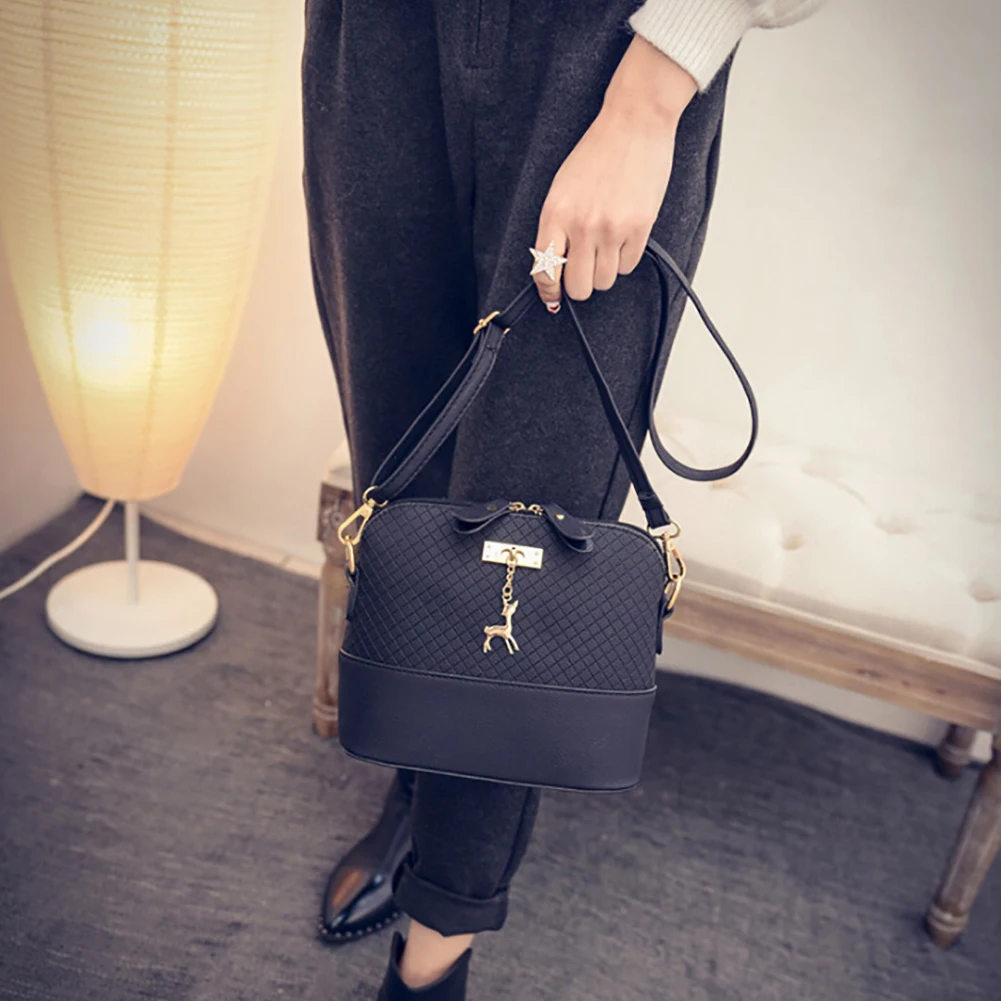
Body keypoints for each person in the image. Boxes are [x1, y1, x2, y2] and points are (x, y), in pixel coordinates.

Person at [302, 1, 819, 997]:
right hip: (373, 39)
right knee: (397, 480)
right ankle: (419, 785)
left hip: (601, 50)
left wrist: (647, 98)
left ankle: (436, 941)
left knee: (530, 543)